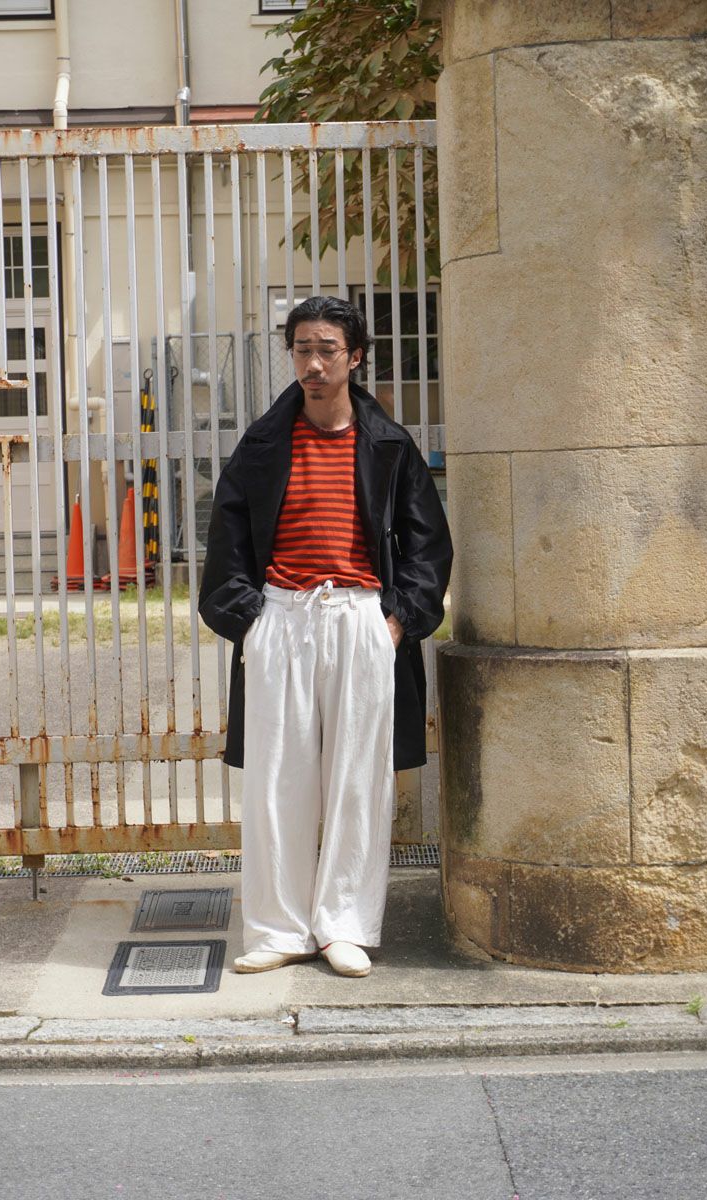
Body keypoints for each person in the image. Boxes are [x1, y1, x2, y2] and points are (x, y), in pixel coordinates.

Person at [199, 295, 452, 977]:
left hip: (362, 618)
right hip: (280, 617)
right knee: (275, 782)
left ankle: (345, 924)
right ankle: (278, 928)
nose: (313, 364)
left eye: (327, 350)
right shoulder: (262, 446)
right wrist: (252, 622)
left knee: (357, 782)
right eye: (302, 349)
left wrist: (396, 622)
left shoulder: (390, 447)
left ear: (355, 357)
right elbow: (225, 546)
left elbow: (429, 547)